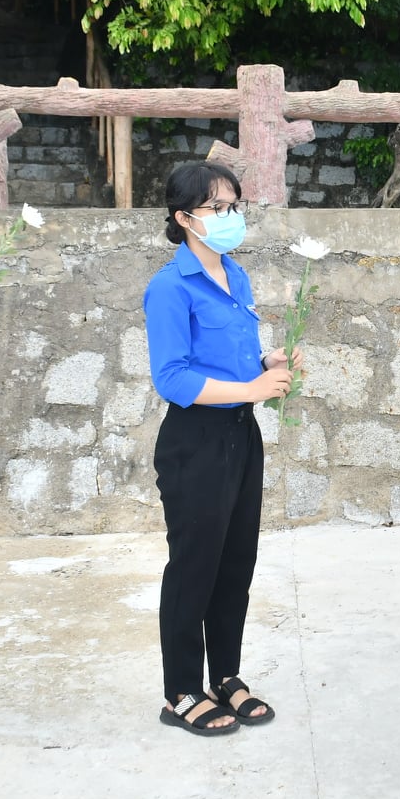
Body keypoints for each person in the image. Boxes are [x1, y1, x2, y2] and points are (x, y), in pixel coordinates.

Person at [143, 161, 299, 736]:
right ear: (184, 218)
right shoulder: (169, 287)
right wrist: (253, 390)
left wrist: (267, 363)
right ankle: (181, 691)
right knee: (195, 566)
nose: (231, 217)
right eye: (218, 207)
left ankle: (224, 676)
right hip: (195, 441)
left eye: (235, 206)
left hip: (241, 434)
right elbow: (173, 378)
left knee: (236, 561)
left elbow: (234, 358)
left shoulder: (236, 275)